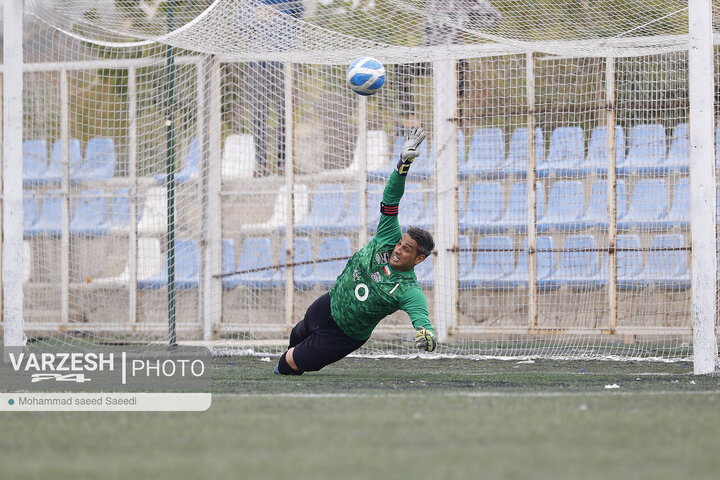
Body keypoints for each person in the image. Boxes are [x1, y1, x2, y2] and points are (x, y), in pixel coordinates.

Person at [275, 127, 437, 375]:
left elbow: (421, 317)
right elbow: (391, 197)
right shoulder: (387, 236)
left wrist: (427, 333)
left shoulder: (408, 289)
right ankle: (295, 352)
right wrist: (403, 164)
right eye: (400, 244)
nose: (398, 249)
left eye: (407, 249)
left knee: (288, 365)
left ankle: (290, 370)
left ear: (419, 258)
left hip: (344, 335)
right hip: (329, 303)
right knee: (298, 333)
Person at [245, 0, 304, 176]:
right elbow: (241, 26)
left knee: (286, 115)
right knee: (258, 115)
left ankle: (284, 164)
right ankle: (261, 165)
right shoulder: (248, 2)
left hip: (285, 63)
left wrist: (278, 17)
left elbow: (299, 17)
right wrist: (257, 17)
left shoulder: (290, 2)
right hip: (257, 65)